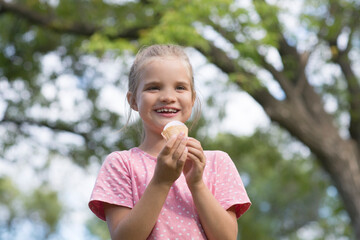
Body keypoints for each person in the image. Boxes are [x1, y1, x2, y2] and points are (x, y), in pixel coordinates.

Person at [88, 44, 251, 240]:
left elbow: (227, 238)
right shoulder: (121, 164)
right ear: (133, 101)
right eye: (153, 87)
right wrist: (161, 181)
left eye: (180, 87)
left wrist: (197, 183)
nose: (167, 97)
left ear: (192, 99)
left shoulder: (217, 162)